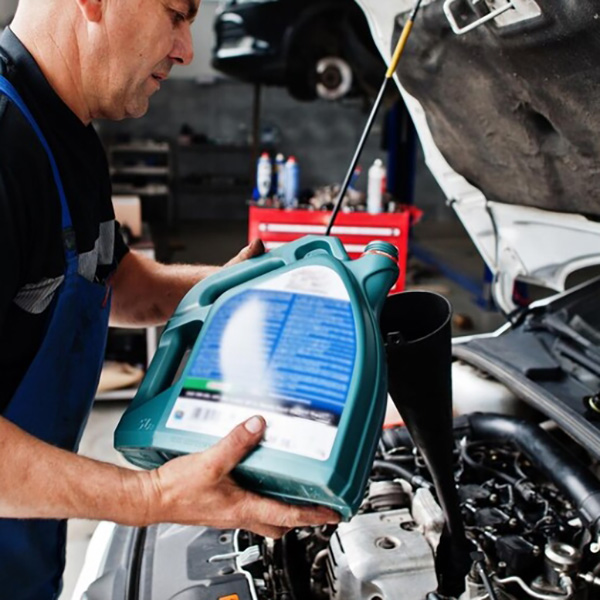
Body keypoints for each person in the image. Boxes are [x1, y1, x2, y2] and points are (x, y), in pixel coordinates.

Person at [0, 0, 339, 597]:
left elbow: (114, 280)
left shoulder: (67, 131)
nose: (186, 50)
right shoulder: (4, 141)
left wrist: (239, 288)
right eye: (176, 15)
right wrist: (152, 496)